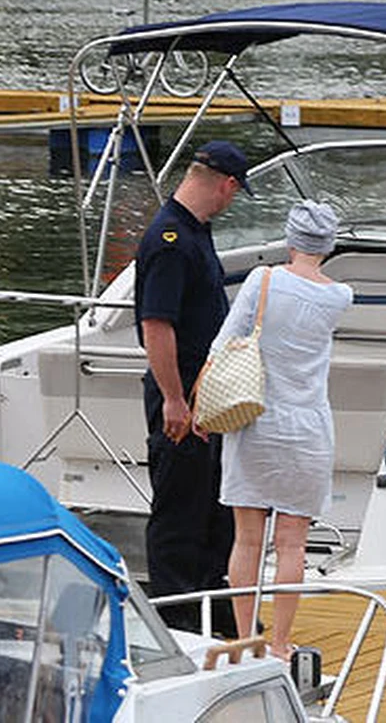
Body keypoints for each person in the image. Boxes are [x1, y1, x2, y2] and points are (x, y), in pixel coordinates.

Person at [213, 200, 353, 661]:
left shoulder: (263, 280)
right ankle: (279, 643)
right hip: (309, 428)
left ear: (291, 240)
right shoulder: (340, 296)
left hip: (256, 421)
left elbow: (224, 342)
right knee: (292, 544)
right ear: (328, 246)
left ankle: (243, 640)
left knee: (247, 539)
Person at [134, 140, 252, 634]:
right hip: (180, 391)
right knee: (180, 508)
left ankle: (212, 599)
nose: (231, 201)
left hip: (209, 393)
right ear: (225, 185)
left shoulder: (195, 232)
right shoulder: (169, 239)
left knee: (213, 506)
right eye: (233, 192)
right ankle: (177, 613)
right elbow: (156, 326)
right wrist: (175, 401)